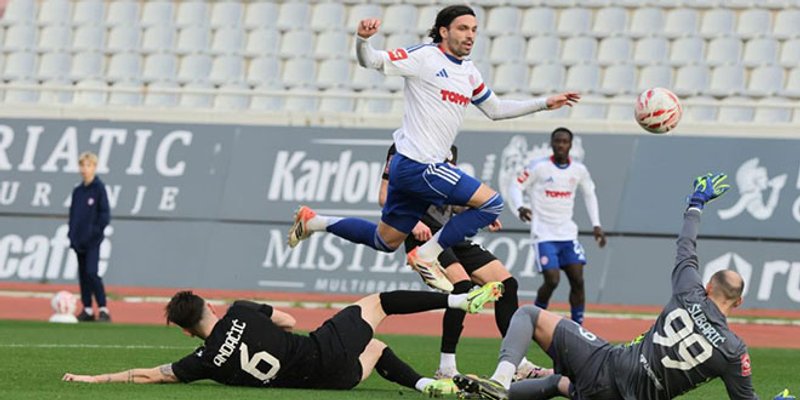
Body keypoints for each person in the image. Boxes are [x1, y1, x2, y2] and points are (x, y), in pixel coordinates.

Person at [287, 5, 581, 293]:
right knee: (492, 204)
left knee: (384, 241)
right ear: (444, 31)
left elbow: (496, 109)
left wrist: (544, 103)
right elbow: (372, 61)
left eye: (474, 30)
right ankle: (427, 256)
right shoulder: (424, 56)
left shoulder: (469, 72)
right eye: (463, 28)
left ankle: (314, 221)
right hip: (421, 165)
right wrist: (363, 40)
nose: (470, 35)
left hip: (411, 171)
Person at [454, 173, 762, 400]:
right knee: (560, 383)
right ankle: (485, 396)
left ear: (708, 286)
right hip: (624, 396)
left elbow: (686, 244)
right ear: (739, 302)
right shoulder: (734, 351)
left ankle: (499, 381)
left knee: (530, 315)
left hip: (610, 368)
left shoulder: (689, 292)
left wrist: (696, 204)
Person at [62, 282, 504, 397]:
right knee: (381, 301)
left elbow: (150, 376)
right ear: (208, 306)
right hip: (320, 351)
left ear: (184, 328)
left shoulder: (203, 362)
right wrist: (265, 320)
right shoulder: (238, 309)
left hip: (328, 381)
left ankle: (429, 386)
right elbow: (290, 321)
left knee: (375, 348)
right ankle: (460, 302)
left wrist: (94, 380)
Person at [379, 144, 548, 380]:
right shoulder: (402, 146)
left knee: (507, 285)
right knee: (463, 288)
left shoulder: (450, 146)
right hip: (424, 236)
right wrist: (411, 222)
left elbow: (451, 201)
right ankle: (446, 368)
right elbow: (384, 196)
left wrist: (479, 210)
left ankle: (517, 364)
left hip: (450, 233)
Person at [507, 127, 606, 325]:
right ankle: (534, 319)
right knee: (552, 280)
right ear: (551, 144)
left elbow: (589, 194)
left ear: (570, 145)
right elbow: (515, 185)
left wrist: (596, 225)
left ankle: (578, 325)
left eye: (565, 142)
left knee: (578, 280)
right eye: (557, 141)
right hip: (543, 234)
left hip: (568, 234)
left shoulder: (579, 170)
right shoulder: (539, 167)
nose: (561, 145)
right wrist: (520, 206)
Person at [68, 151, 111, 322]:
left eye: (88, 165)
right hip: (78, 240)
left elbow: (104, 215)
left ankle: (103, 308)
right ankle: (86, 308)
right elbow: (73, 215)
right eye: (82, 165)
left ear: (94, 167)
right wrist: (72, 235)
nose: (84, 169)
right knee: (83, 275)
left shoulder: (99, 189)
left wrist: (94, 233)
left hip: (92, 240)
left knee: (92, 272)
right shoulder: (78, 191)